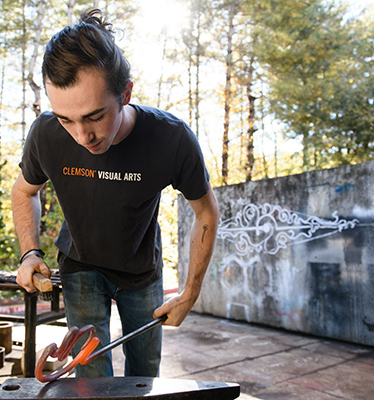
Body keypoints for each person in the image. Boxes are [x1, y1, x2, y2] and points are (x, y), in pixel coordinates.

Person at [12, 9, 219, 378]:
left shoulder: (171, 139)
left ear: (125, 93)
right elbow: (24, 191)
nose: (81, 136)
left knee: (144, 373)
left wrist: (190, 292)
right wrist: (29, 253)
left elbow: (206, 213)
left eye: (94, 116)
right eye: (65, 119)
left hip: (141, 272)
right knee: (91, 378)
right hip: (79, 266)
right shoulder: (44, 133)